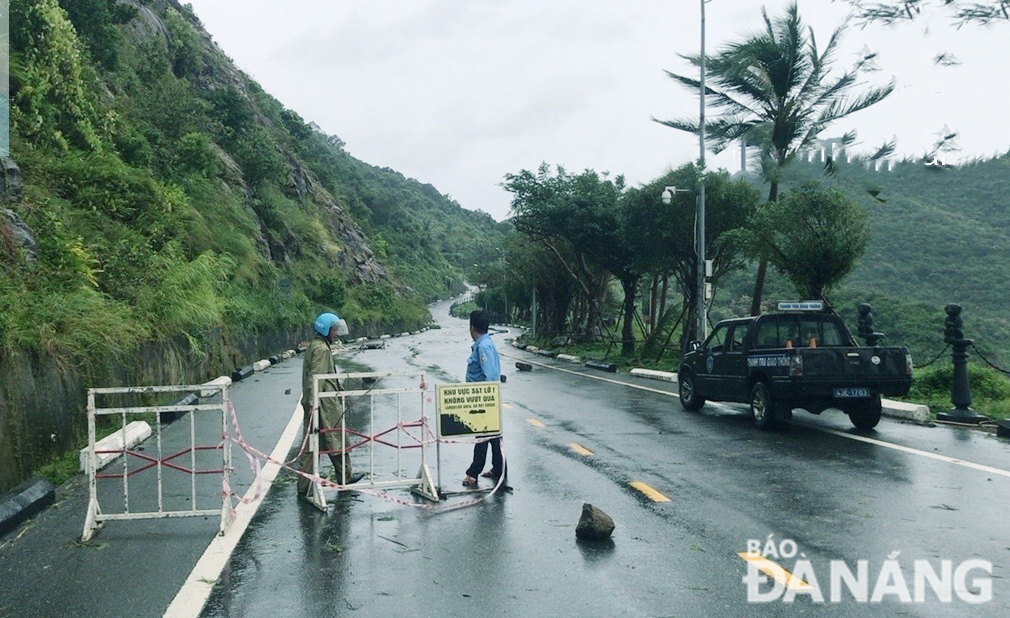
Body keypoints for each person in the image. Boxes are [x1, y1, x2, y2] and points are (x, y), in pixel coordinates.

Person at [298, 312, 364, 497]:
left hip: (321, 402)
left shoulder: (317, 346)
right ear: (325, 329)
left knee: (313, 444)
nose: (336, 333)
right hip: (324, 404)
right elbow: (316, 377)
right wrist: (313, 403)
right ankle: (344, 477)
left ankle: (304, 486)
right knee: (335, 440)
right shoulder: (322, 349)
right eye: (334, 329)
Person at [463, 310, 504, 487]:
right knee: (493, 435)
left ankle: (473, 472)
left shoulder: (483, 347)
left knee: (482, 435)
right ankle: (499, 468)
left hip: (483, 400)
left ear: (472, 327)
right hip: (485, 399)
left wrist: (487, 401)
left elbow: (491, 375)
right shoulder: (485, 343)